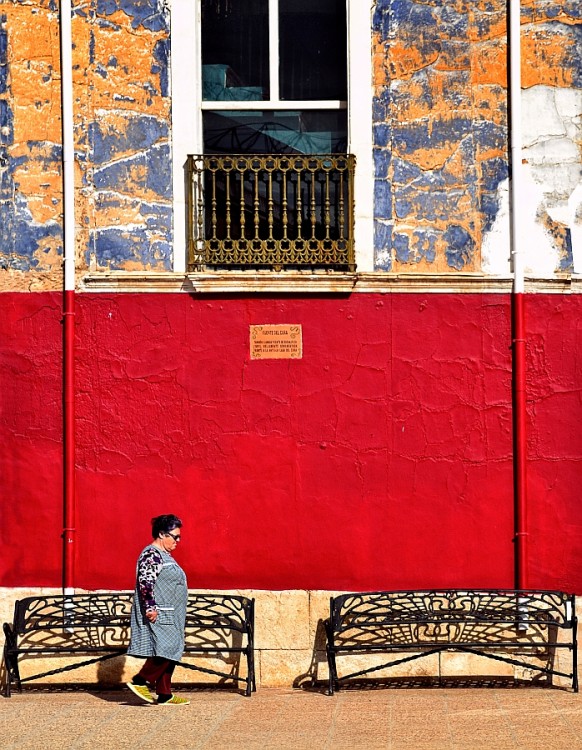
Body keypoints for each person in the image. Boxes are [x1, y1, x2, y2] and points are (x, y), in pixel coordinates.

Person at [126, 514, 190, 705]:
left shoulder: (164, 555)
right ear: (162, 534)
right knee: (167, 649)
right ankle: (140, 680)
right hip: (160, 611)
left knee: (171, 649)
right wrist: (150, 608)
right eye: (175, 536)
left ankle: (164, 693)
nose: (178, 541)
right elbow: (145, 582)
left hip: (171, 612)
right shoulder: (151, 554)